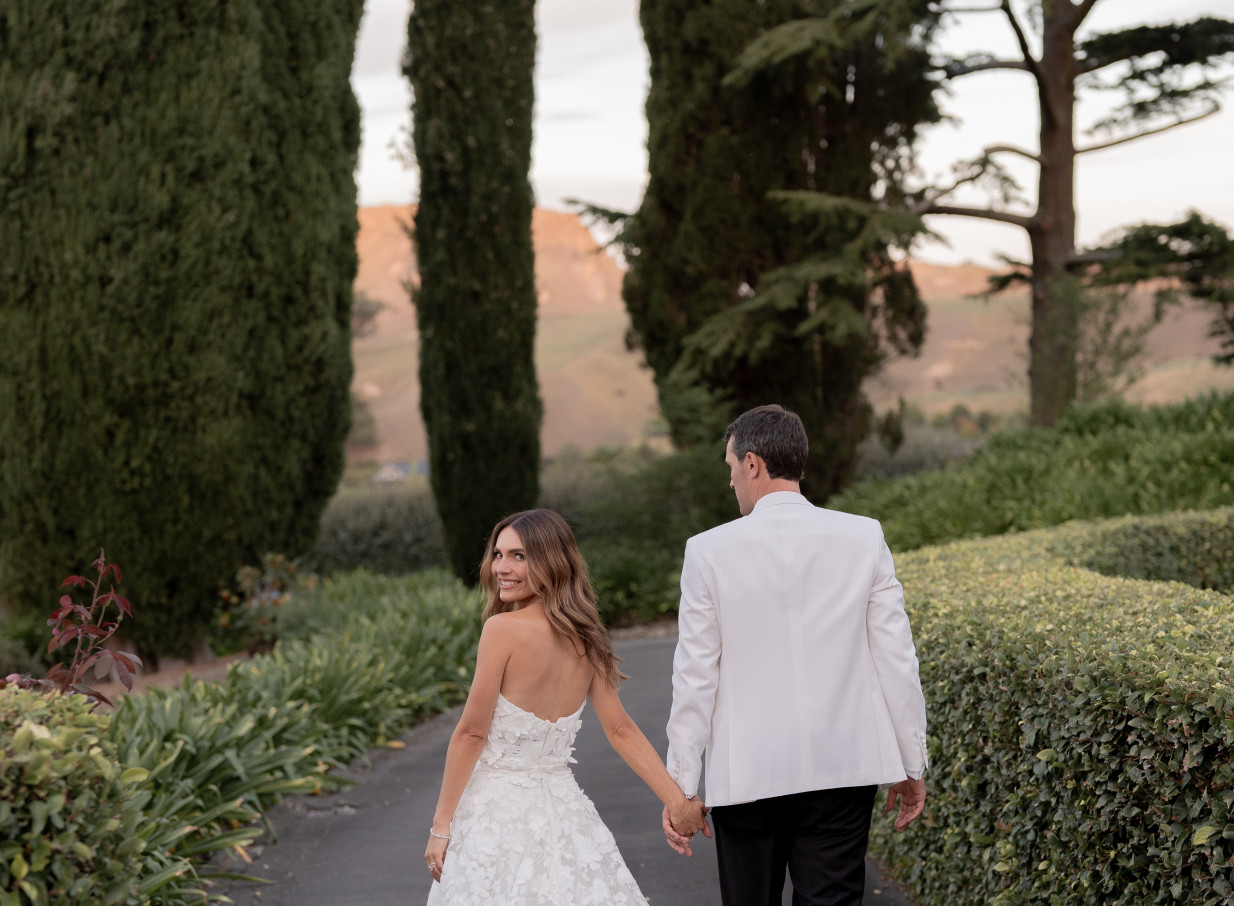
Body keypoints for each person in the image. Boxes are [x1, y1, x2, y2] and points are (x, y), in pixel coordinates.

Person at [662, 404, 928, 906]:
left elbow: (695, 676)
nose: (732, 482)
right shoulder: (863, 536)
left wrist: (682, 786)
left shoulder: (707, 551)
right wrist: (911, 762)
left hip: (746, 772)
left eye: (731, 468)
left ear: (753, 464)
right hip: (843, 767)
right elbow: (896, 658)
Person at [423, 508, 708, 904]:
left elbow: (472, 733)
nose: (501, 567)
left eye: (518, 556)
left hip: (496, 817)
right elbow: (620, 729)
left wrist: (441, 825)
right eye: (498, 554)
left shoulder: (501, 630)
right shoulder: (587, 635)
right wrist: (678, 803)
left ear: (550, 562)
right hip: (565, 814)